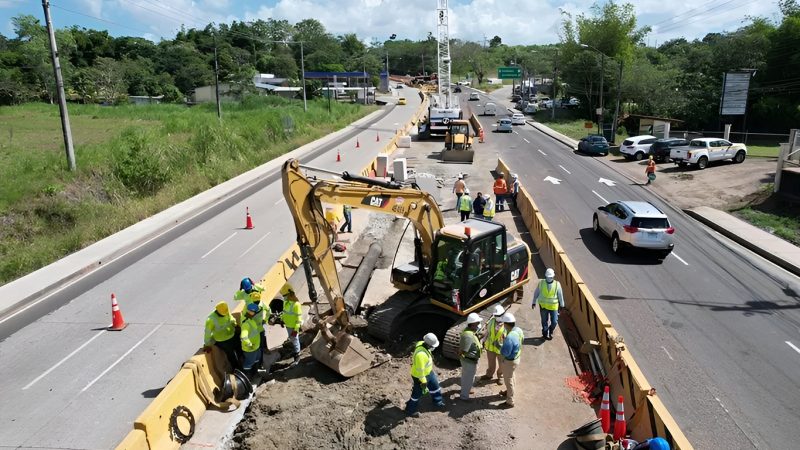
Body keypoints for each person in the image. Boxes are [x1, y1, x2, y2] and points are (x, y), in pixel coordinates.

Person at [405, 332, 445, 417]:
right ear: (428, 345)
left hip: (428, 372)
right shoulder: (421, 355)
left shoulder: (422, 344)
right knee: (417, 393)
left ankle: (438, 401)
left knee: (435, 386)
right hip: (420, 377)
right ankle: (410, 410)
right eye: (433, 346)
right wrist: (423, 382)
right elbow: (420, 371)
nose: (434, 347)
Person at [234, 277, 269, 356]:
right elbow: (263, 288)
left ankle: (260, 348)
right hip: (254, 315)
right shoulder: (255, 288)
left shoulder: (243, 293)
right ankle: (262, 348)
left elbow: (235, 297)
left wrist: (240, 290)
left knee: (256, 332)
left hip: (251, 315)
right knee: (259, 332)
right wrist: (254, 284)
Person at [203, 301, 240, 370]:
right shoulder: (211, 320)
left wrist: (235, 324)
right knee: (231, 355)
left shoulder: (224, 310)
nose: (224, 315)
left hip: (232, 335)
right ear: (218, 311)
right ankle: (236, 369)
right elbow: (207, 333)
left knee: (239, 349)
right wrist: (207, 344)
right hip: (223, 341)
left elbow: (230, 317)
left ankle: (242, 363)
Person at [531, 268, 565, 340]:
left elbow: (560, 295)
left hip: (553, 307)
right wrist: (533, 302)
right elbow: (536, 293)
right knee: (544, 321)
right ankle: (545, 334)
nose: (549, 278)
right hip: (543, 306)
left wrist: (562, 305)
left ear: (553, 277)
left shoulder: (557, 284)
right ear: (546, 276)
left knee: (554, 321)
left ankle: (550, 330)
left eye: (550, 277)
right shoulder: (541, 283)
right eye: (548, 277)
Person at [499, 312, 524, 408]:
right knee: (512, 376)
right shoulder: (518, 330)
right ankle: (509, 392)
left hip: (510, 361)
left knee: (508, 379)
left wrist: (500, 345)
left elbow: (505, 353)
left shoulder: (509, 338)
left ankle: (510, 401)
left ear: (505, 324)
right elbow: (521, 340)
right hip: (517, 357)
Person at [480, 305, 506, 384]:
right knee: (491, 363)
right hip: (490, 347)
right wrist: (482, 341)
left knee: (502, 365)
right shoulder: (491, 321)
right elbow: (487, 332)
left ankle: (500, 376)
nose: (498, 317)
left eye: (499, 315)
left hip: (501, 349)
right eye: (496, 316)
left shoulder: (507, 324)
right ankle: (489, 374)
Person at [459, 313, 483, 401]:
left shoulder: (470, 331)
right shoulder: (468, 335)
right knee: (468, 378)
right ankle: (464, 397)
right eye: (477, 323)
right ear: (472, 324)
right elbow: (464, 350)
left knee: (466, 376)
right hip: (469, 361)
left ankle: (466, 390)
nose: (478, 324)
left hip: (469, 360)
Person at [280, 283, 304, 364]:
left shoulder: (296, 304)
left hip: (293, 326)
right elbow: (285, 313)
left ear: (289, 294)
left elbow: (299, 318)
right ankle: (295, 350)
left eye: (284, 295)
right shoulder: (285, 302)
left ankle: (297, 355)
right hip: (288, 325)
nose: (284, 297)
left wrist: (296, 329)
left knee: (295, 339)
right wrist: (282, 320)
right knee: (292, 339)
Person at [240, 302, 263, 379]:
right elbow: (243, 337)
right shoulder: (246, 323)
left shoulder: (251, 320)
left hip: (255, 347)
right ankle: (247, 376)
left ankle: (255, 372)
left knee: (256, 359)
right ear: (252, 313)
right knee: (249, 363)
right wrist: (249, 344)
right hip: (250, 349)